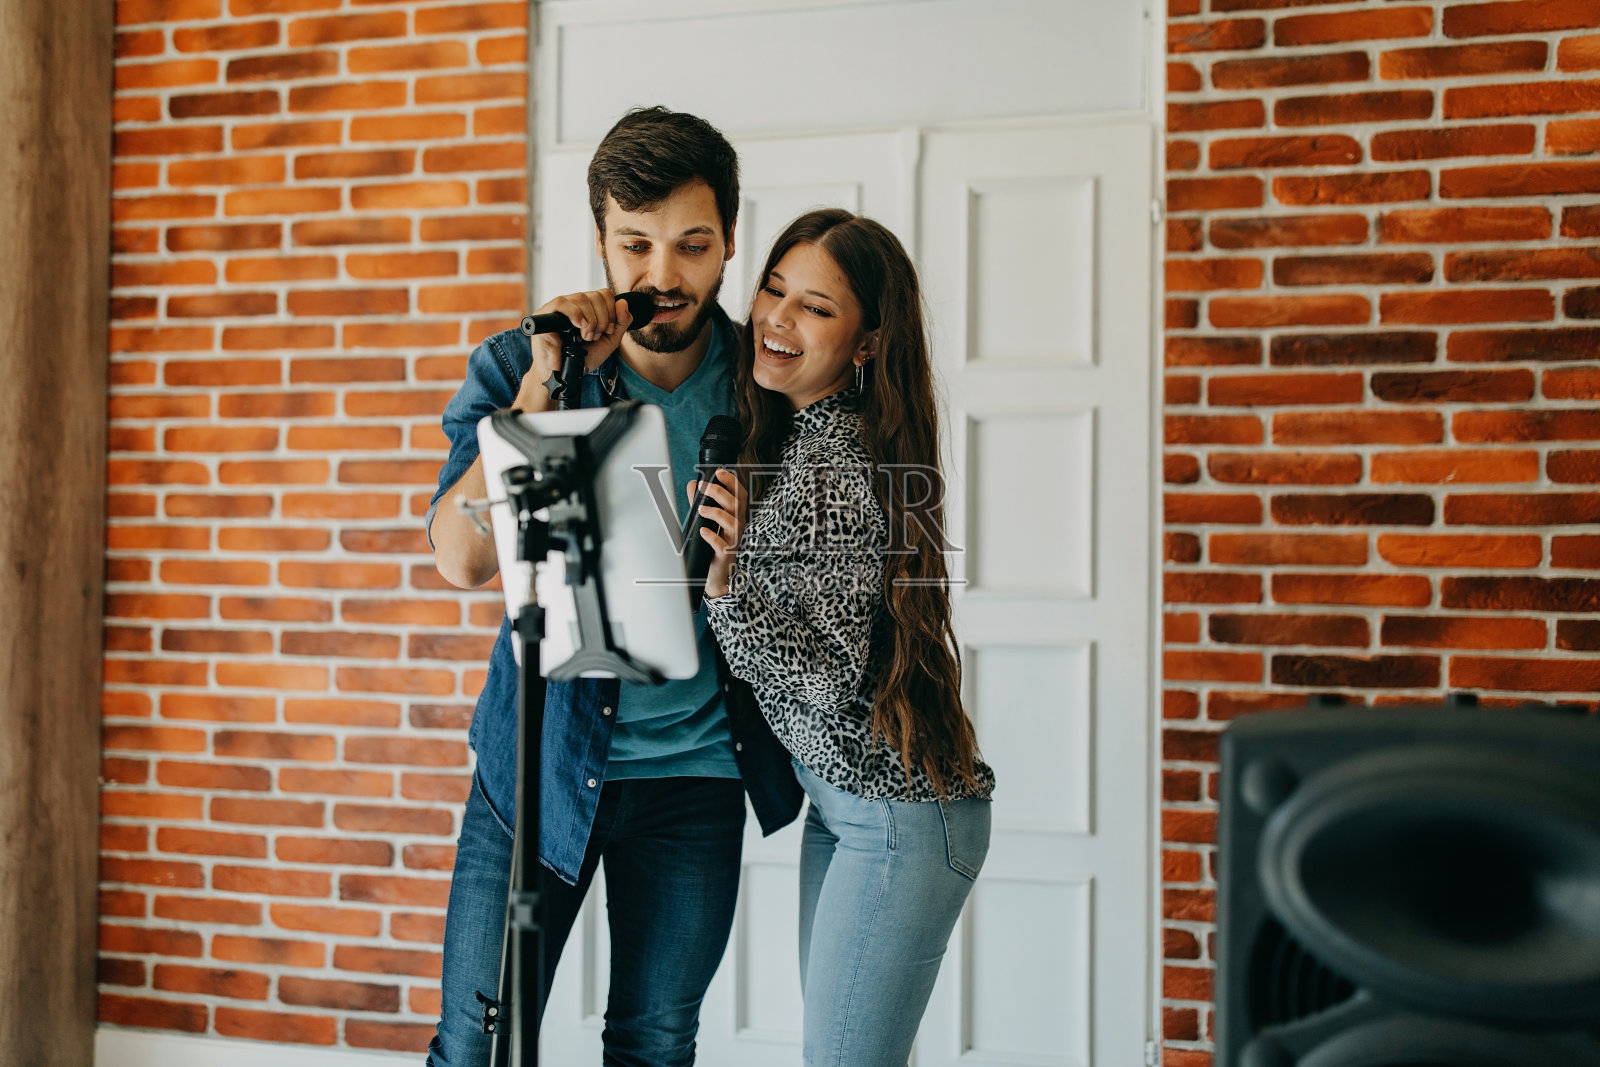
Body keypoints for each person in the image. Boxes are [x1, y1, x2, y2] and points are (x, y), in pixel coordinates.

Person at [424, 107, 801, 1067]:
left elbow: (820, 593)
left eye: (692, 245)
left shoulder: (770, 390)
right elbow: (459, 558)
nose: (662, 276)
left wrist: (755, 553)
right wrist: (544, 392)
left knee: (653, 1045)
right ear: (599, 241)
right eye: (634, 243)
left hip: (697, 779)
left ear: (729, 248)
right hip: (538, 767)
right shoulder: (523, 365)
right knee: (475, 1049)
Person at [693, 209, 996, 1066]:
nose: (777, 319)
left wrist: (725, 585)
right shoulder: (802, 439)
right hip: (848, 805)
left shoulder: (832, 466)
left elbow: (824, 675)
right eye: (773, 290)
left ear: (866, 344)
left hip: (894, 818)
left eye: (815, 308)